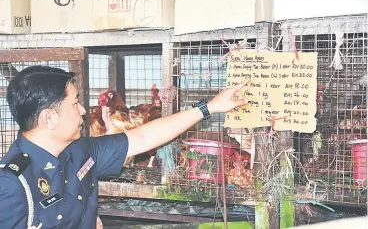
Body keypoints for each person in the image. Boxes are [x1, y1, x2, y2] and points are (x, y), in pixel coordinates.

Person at [0, 65, 248, 229]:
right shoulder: (11, 183)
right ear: (49, 118)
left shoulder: (78, 151)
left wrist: (209, 108)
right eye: (75, 104)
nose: (84, 111)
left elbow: (143, 137)